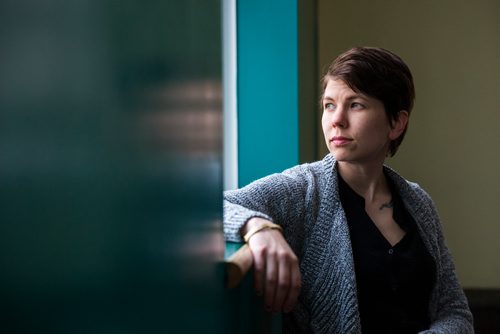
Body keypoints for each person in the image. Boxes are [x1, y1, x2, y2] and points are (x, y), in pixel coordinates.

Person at [223, 47, 473, 333]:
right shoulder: (302, 190)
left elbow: (454, 311)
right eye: (329, 105)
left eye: (355, 105)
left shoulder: (418, 202)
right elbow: (215, 207)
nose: (336, 119)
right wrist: (259, 228)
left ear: (396, 123)